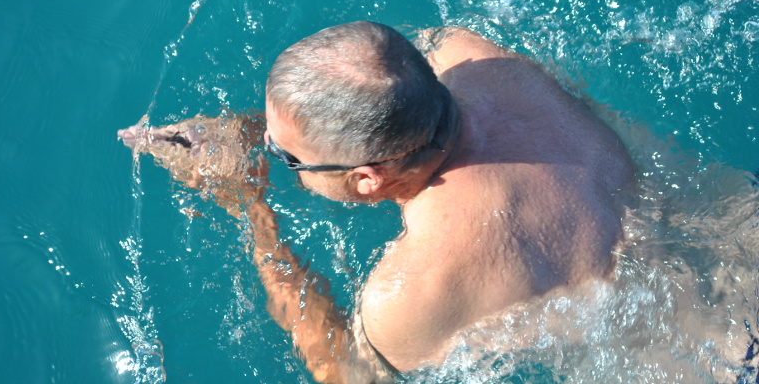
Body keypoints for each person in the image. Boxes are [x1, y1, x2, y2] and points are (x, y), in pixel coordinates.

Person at [118, 21, 633, 383]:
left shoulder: (414, 290)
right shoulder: (468, 53)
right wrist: (258, 129)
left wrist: (247, 202)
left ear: (368, 180)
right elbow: (368, 98)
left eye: (287, 156)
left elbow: (347, 374)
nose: (274, 154)